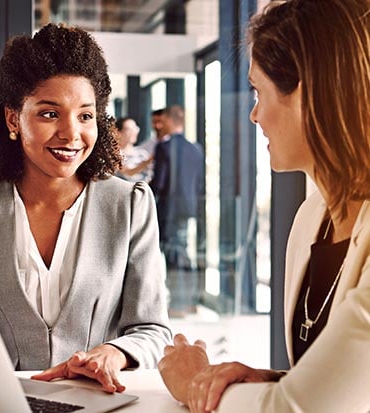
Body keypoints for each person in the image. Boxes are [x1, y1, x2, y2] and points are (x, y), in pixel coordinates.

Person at [158, 0, 370, 411]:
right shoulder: (311, 219)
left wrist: (196, 384)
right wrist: (277, 379)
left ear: (309, 91)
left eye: (259, 90)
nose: (254, 115)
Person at [0, 23, 171, 394]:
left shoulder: (128, 206)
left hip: (99, 402)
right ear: (13, 119)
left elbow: (153, 329)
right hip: (0, 400)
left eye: (85, 115)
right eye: (50, 114)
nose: (71, 134)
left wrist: (115, 352)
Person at [150, 105, 204, 318]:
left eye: (162, 121)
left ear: (171, 121)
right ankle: (191, 300)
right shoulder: (196, 149)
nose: (159, 126)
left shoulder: (164, 148)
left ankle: (178, 304)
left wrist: (146, 193)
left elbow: (160, 182)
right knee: (182, 252)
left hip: (168, 208)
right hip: (188, 207)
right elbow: (199, 183)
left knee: (172, 253)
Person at [115, 117, 152, 182]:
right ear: (118, 132)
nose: (134, 132)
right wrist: (148, 161)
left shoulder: (142, 153)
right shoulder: (115, 154)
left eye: (135, 129)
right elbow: (128, 172)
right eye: (130, 130)